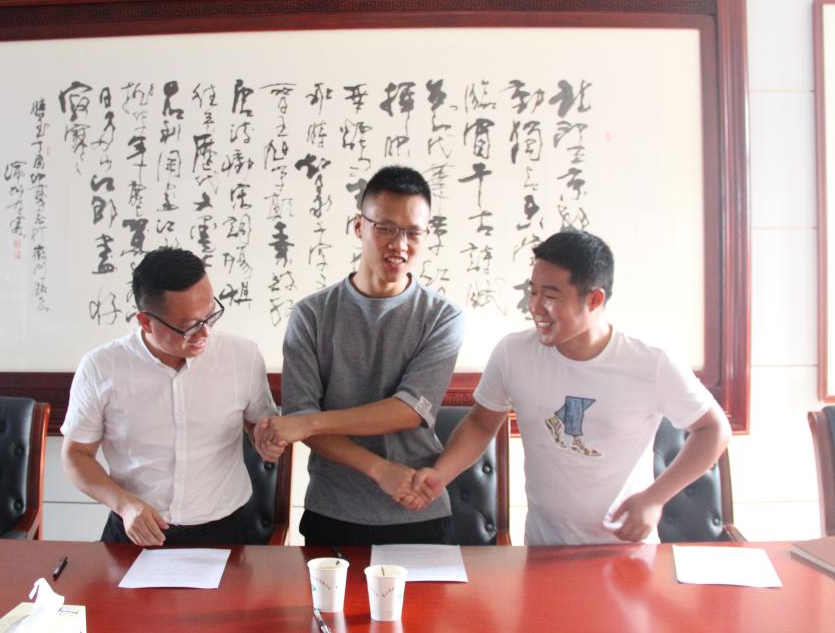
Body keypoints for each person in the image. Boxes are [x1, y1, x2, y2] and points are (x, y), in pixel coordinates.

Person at [409, 230, 731, 545]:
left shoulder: (650, 363)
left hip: (626, 550)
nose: (535, 307)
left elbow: (714, 429)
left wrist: (655, 498)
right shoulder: (513, 353)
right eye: (533, 292)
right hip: (544, 549)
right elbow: (481, 424)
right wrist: (440, 475)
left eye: (550, 296)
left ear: (594, 299)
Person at [258, 165, 465, 545]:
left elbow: (409, 409)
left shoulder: (442, 316)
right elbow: (300, 419)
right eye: (385, 228)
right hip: (331, 511)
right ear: (359, 226)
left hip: (417, 506)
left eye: (413, 232)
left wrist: (310, 423)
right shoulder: (311, 315)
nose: (399, 245)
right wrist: (379, 469)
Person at [60, 247, 281, 546]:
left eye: (210, 316)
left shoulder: (242, 357)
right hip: (136, 528)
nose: (205, 333)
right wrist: (125, 505)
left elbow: (258, 424)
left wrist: (264, 438)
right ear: (145, 322)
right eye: (189, 326)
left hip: (225, 529)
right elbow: (76, 455)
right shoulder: (101, 367)